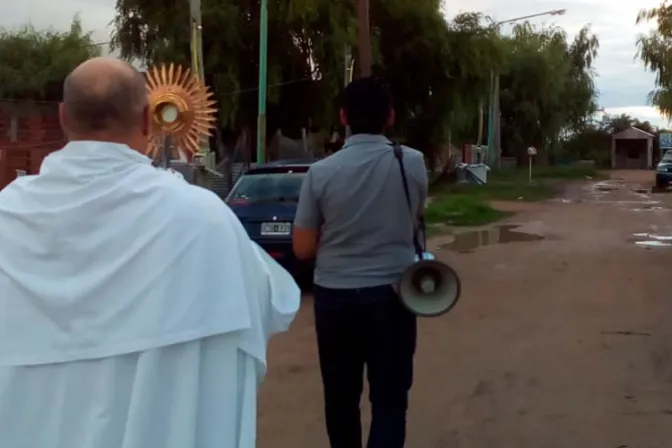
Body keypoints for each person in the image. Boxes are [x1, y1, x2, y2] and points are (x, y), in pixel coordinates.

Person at [0, 57, 300, 448]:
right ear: (147, 119)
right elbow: (270, 302)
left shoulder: (7, 215)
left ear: (61, 117)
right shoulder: (204, 220)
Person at [293, 76, 428, 448]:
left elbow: (302, 248)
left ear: (343, 116)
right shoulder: (413, 163)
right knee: (389, 401)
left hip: (335, 299)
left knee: (340, 398)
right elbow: (413, 217)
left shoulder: (320, 173)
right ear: (390, 117)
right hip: (395, 295)